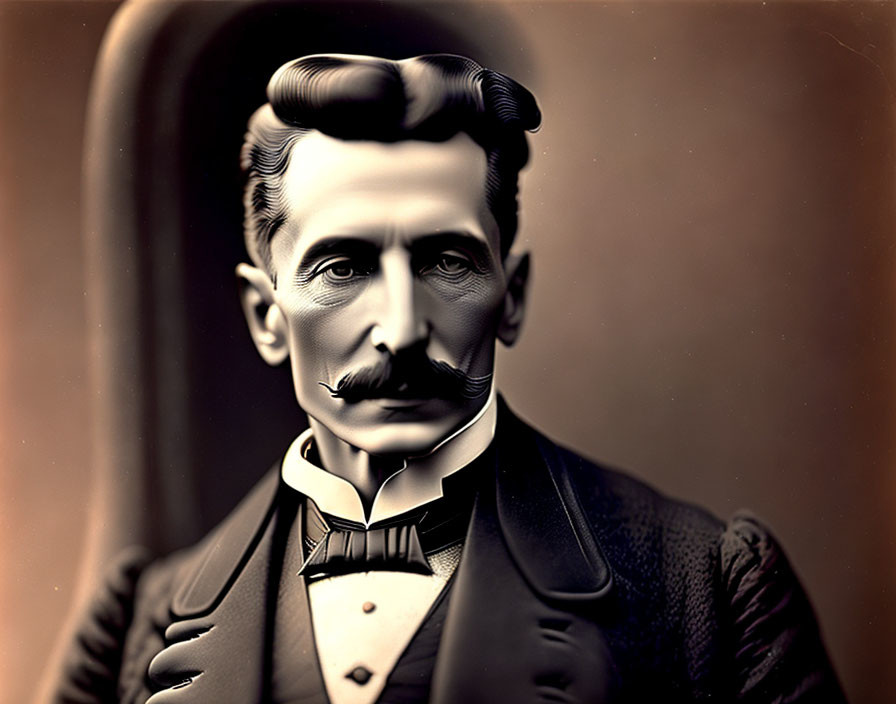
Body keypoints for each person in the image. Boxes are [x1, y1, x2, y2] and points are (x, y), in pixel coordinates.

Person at [52, 53, 846, 704]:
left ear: (514, 296)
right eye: (342, 266)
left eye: (447, 261)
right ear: (266, 315)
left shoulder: (709, 589)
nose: (401, 329)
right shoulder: (137, 626)